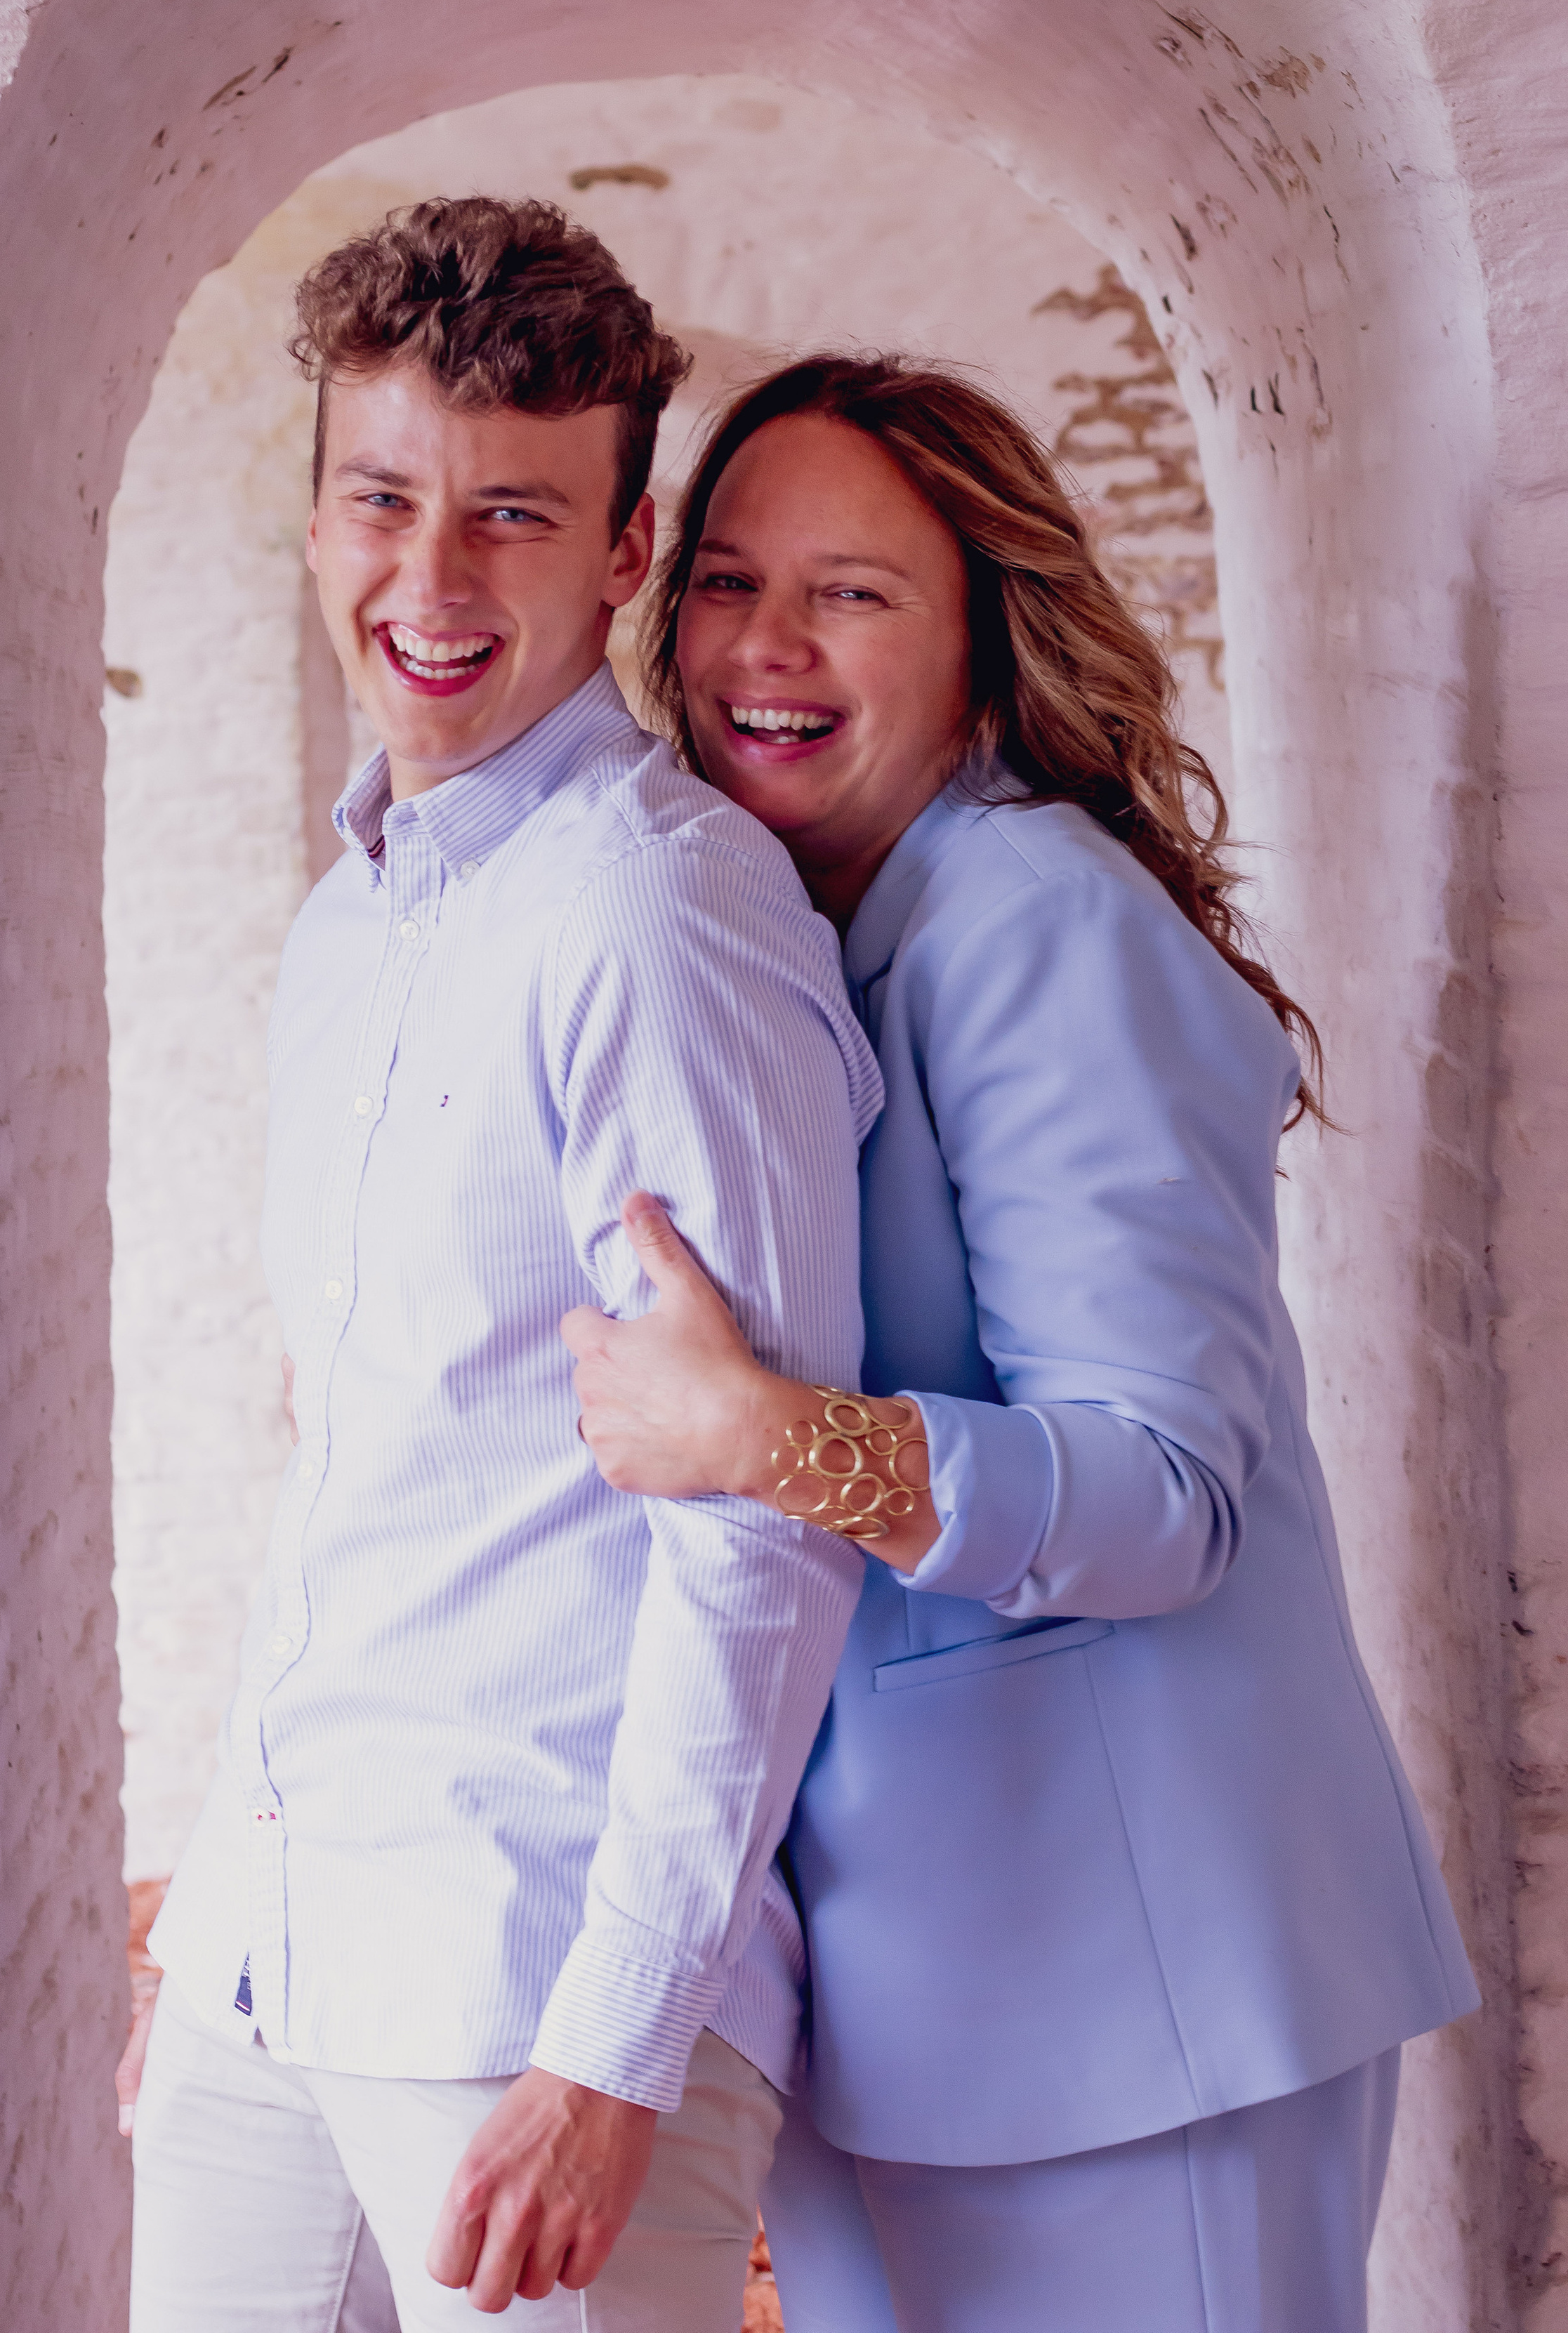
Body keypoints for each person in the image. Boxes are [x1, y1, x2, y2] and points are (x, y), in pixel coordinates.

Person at [565, 354, 1479, 2333]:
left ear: (984, 652)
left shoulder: (1032, 918)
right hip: (908, 1995)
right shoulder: (781, 928)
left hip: (1139, 2004)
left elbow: (1167, 1491)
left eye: (853, 593)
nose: (767, 645)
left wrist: (760, 1436)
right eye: (726, 581)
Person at [118, 206, 881, 2333]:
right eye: (385, 500)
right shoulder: (351, 915)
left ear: (624, 552)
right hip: (282, 1961)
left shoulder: (661, 911)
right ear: (316, 519)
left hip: (531, 1992)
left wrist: (615, 2048)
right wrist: (225, 1922)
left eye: (514, 517)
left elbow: (759, 1525)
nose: (432, 581)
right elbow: (359, 1465)